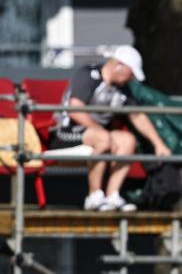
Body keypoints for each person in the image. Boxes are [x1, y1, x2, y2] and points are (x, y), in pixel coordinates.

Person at [49, 45, 171, 211]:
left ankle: (112, 195)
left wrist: (158, 144)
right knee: (104, 138)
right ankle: (94, 196)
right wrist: (101, 133)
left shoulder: (122, 90)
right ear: (118, 65)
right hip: (64, 134)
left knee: (127, 140)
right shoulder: (89, 75)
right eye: (131, 72)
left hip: (95, 136)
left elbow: (137, 116)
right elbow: (75, 110)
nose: (132, 78)